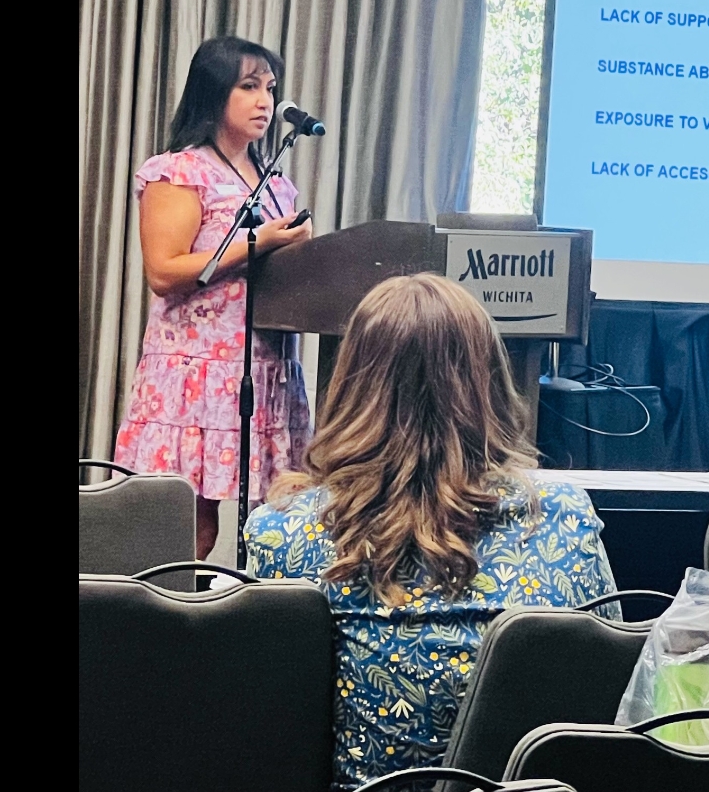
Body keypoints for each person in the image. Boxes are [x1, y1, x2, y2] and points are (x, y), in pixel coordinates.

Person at [246, 273, 618, 791]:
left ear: (351, 382)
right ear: (488, 381)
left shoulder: (282, 532)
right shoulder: (564, 518)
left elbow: (262, 726)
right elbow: (609, 694)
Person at [112, 36, 316, 559]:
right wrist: (257, 242)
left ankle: (250, 603)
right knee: (192, 523)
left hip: (265, 367)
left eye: (270, 88)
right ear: (213, 92)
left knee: (272, 513)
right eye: (249, 87)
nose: (265, 102)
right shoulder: (180, 171)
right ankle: (172, 605)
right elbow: (163, 271)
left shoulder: (276, 184)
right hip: (196, 369)